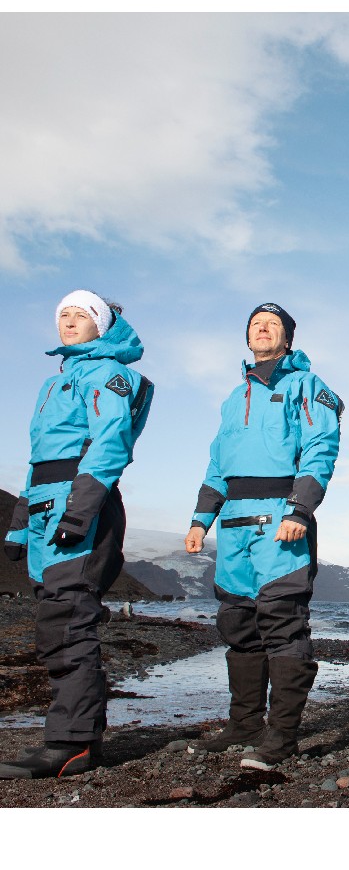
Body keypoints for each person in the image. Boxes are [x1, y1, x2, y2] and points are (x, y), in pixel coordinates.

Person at [1, 291, 153, 778]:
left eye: (80, 314)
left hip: (80, 505)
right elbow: (37, 462)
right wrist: (21, 527)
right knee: (54, 621)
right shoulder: (55, 382)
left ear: (101, 326)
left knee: (69, 621)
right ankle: (70, 736)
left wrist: (79, 511)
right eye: (62, 314)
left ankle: (73, 744)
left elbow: (110, 442)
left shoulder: (109, 374)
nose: (68, 321)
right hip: (48, 508)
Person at [184, 303, 341, 770]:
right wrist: (200, 519)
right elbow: (217, 463)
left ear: (288, 339)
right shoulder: (234, 397)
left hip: (280, 518)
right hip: (232, 523)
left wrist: (301, 508)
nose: (263, 329)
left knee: (282, 622)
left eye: (273, 325)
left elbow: (320, 447)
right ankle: (245, 723)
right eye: (256, 324)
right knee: (238, 626)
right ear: (247, 338)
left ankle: (283, 736)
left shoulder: (308, 386)